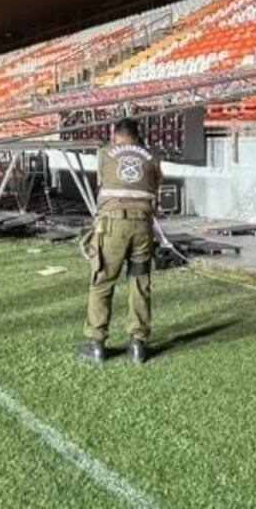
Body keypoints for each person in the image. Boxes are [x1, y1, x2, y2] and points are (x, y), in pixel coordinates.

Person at [79, 117, 162, 364]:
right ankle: (137, 344)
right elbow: (155, 188)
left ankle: (97, 343)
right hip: (143, 228)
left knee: (102, 281)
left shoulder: (105, 153)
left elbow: (102, 182)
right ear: (138, 135)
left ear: (116, 134)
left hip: (113, 226)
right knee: (139, 282)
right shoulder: (152, 156)